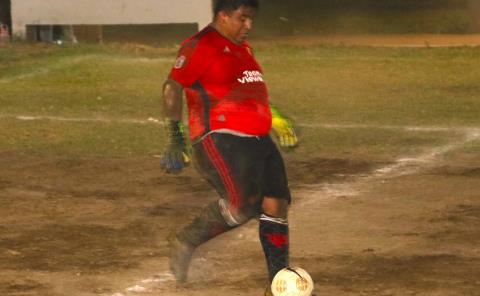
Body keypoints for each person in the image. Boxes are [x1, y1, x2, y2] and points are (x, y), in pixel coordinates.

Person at [160, 0, 298, 294]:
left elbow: (248, 92)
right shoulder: (201, 45)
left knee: (276, 204)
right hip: (220, 137)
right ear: (222, 15)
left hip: (259, 139)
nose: (248, 25)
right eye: (242, 18)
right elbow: (172, 87)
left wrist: (275, 118)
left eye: (251, 19)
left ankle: (279, 285)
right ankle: (187, 239)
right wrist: (175, 137)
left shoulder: (242, 48)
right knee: (243, 204)